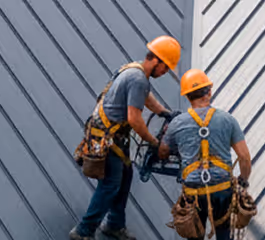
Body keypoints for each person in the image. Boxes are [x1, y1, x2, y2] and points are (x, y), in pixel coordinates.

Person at [71, 36, 180, 240]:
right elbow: (135, 119)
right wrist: (155, 143)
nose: (165, 73)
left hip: (109, 134)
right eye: (165, 68)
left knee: (125, 176)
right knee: (110, 184)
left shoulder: (133, 69)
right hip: (108, 137)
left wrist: (164, 112)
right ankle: (83, 231)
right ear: (156, 60)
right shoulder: (138, 79)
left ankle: (114, 224)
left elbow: (144, 97)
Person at [160, 69, 253, 240]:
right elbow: (245, 158)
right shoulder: (227, 120)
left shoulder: (176, 123)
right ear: (209, 92)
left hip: (194, 190)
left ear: (187, 97)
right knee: (224, 233)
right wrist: (243, 181)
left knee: (195, 234)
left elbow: (163, 152)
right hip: (222, 188)